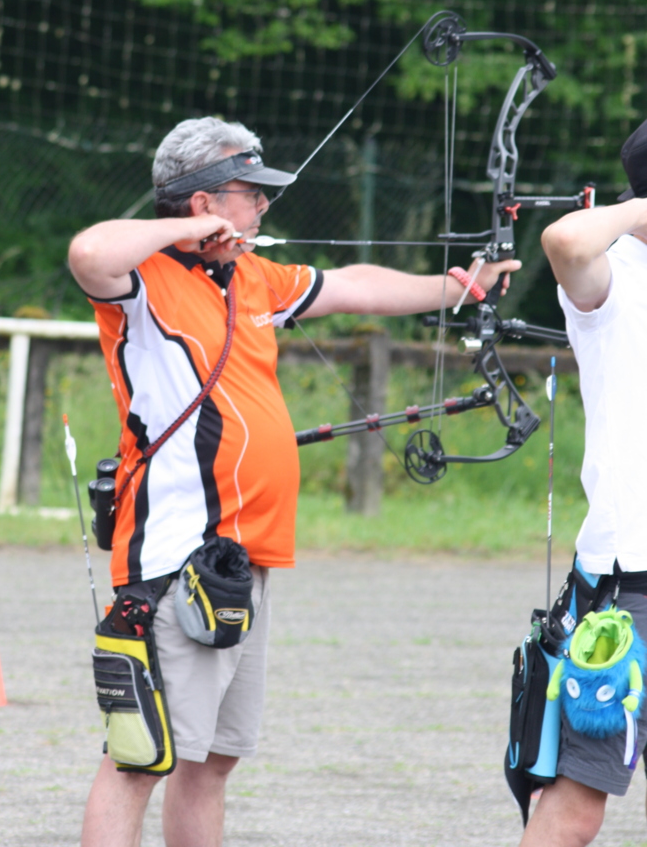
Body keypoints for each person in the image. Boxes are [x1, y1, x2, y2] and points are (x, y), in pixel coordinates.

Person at [68, 116, 519, 847]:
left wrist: (455, 287)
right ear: (204, 202)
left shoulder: (253, 278)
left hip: (245, 557)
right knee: (138, 758)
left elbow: (352, 286)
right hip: (177, 556)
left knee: (212, 761)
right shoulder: (142, 282)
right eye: (250, 193)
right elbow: (88, 251)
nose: (263, 206)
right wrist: (185, 233)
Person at [520, 118, 647, 847]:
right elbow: (565, 241)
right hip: (630, 585)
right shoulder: (614, 278)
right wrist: (638, 210)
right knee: (575, 808)